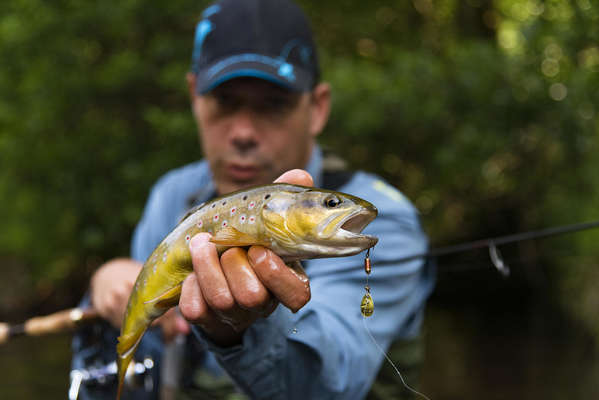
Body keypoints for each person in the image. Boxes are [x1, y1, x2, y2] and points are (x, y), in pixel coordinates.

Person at [70, 0, 435, 399]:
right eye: (225, 102)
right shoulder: (173, 196)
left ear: (317, 108)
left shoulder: (386, 219)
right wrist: (105, 285)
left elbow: (331, 384)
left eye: (273, 104)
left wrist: (243, 328)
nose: (243, 132)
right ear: (195, 97)